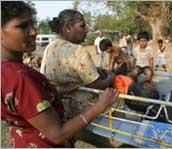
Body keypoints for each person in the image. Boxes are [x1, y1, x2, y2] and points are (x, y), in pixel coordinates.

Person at [1, 1, 118, 148]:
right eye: (22, 26)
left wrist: (68, 87)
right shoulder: (21, 76)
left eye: (33, 24)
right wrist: (99, 107)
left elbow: (29, 103)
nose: (34, 31)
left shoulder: (7, 70)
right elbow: (57, 134)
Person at [40, 9, 116, 119]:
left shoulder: (50, 47)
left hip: (59, 109)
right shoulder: (78, 51)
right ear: (68, 27)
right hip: (84, 111)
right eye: (82, 26)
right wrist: (111, 77)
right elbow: (96, 85)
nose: (86, 31)